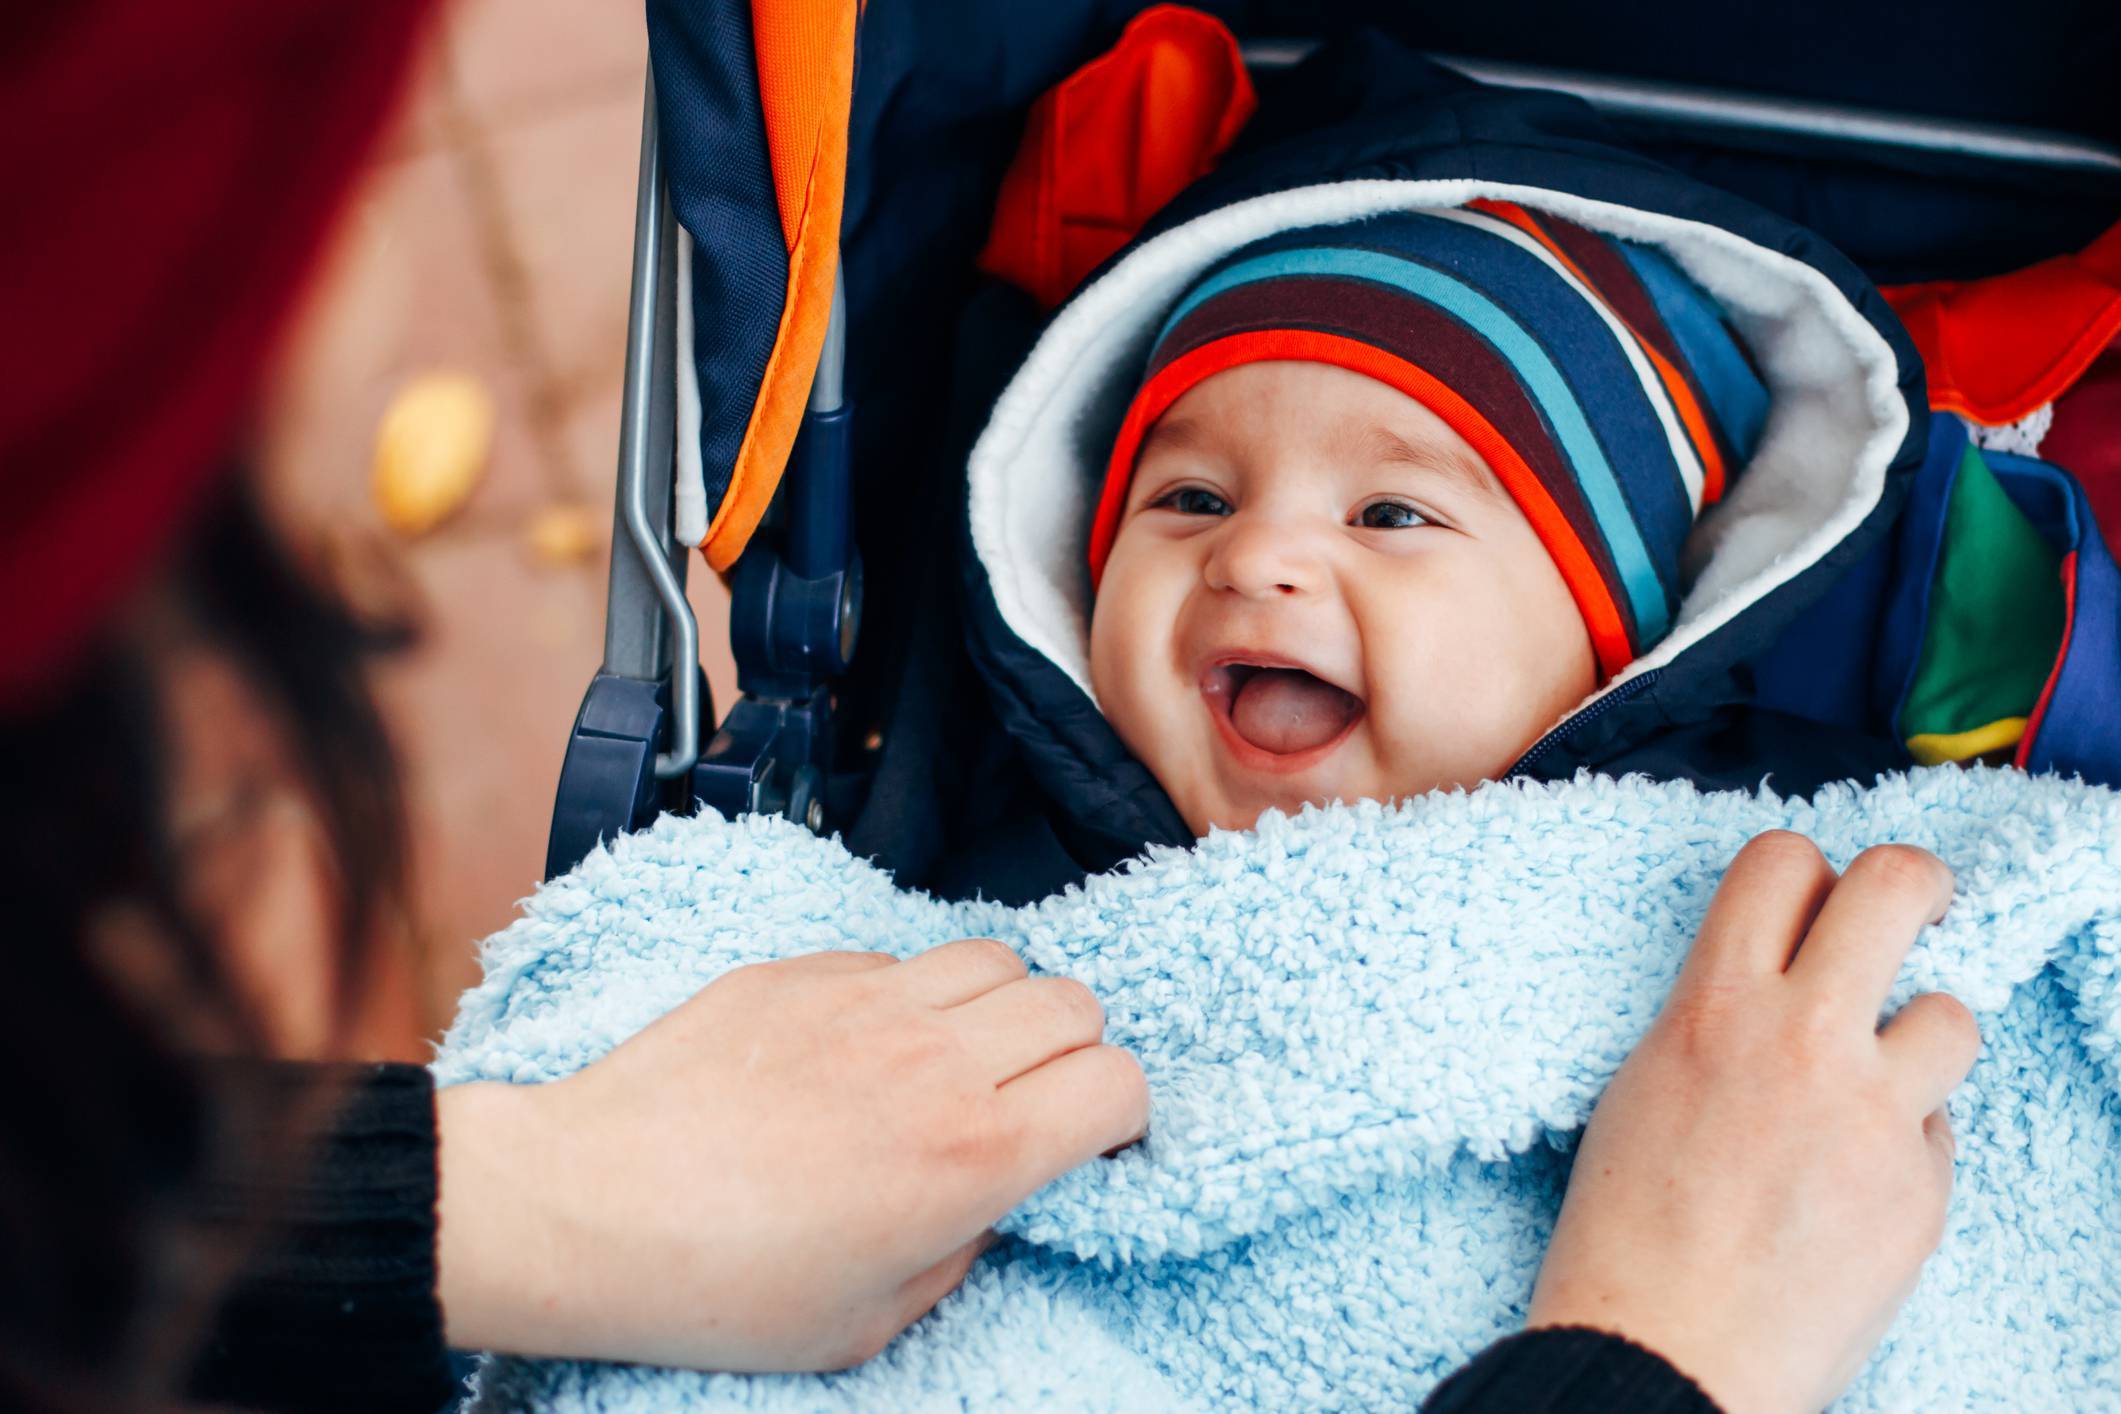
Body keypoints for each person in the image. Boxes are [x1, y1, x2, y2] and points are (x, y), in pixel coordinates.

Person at [0, 5, 1975, 1412]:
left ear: (1623, 639)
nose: (1257, 562)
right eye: (1184, 496)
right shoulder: (927, 893)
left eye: (1392, 509)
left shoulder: (1757, 877)